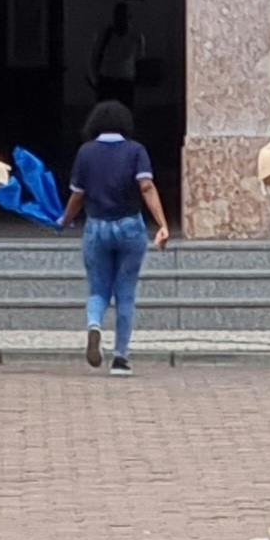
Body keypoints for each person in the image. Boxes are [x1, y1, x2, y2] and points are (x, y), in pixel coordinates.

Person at [60, 96, 170, 372]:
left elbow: (78, 195)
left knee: (97, 289)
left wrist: (65, 219)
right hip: (130, 226)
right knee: (125, 294)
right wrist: (162, 223)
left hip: (96, 226)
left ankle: (94, 324)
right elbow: (146, 186)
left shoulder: (86, 152)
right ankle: (120, 358)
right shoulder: (136, 151)